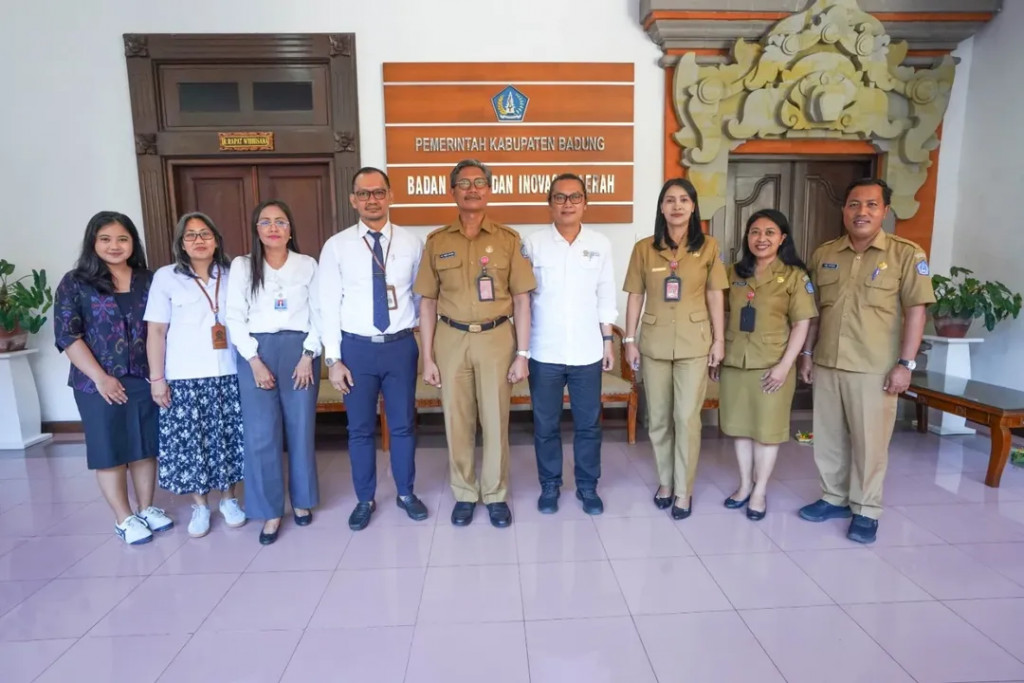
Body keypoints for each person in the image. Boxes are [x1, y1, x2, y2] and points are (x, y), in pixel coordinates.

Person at [798, 178, 935, 544]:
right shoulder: (825, 253)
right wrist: (807, 354)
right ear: (844, 210)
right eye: (854, 204)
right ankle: (833, 497)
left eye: (872, 205)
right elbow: (815, 312)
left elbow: (916, 312)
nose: (862, 212)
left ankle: (866, 509)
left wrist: (906, 364)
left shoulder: (906, 255)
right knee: (828, 438)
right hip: (828, 361)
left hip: (874, 367)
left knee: (870, 443)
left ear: (885, 211)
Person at [413, 159, 536, 528]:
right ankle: (465, 492)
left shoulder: (508, 240)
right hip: (450, 338)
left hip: (497, 337)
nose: (472, 189)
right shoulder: (437, 242)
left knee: (496, 419)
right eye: (464, 183)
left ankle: (495, 494)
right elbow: (427, 303)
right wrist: (427, 358)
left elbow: (522, 301)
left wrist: (523, 354)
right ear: (452, 191)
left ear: (489, 190)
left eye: (479, 182)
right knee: (457, 419)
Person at [53, 211, 174, 545]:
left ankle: (146, 508)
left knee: (144, 446)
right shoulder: (75, 282)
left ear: (133, 242)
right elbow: (67, 335)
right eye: (105, 239)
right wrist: (101, 378)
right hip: (97, 383)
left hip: (145, 377)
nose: (114, 246)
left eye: (122, 239)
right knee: (110, 449)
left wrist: (158, 376)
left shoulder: (149, 280)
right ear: (93, 243)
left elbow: (162, 328)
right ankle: (124, 517)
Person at [319, 167, 427, 531]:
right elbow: (327, 305)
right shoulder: (336, 246)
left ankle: (406, 493)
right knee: (360, 429)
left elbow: (421, 298)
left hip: (400, 347)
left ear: (391, 196)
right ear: (353, 200)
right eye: (364, 194)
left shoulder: (412, 243)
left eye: (379, 192)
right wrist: (333, 359)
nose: (372, 200)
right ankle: (364, 498)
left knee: (403, 425)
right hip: (356, 350)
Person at [622, 178, 728, 520]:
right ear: (661, 207)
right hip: (653, 343)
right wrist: (629, 340)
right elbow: (635, 295)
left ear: (693, 206)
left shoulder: (708, 247)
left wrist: (719, 340)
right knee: (657, 419)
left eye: (684, 200)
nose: (677, 206)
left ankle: (684, 489)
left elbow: (715, 294)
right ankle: (665, 482)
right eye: (670, 200)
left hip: (694, 344)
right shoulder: (644, 248)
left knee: (686, 418)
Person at [709, 209, 817, 521]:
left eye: (770, 233)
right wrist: (717, 350)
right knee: (740, 429)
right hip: (735, 362)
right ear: (747, 237)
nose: (761, 238)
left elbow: (802, 323)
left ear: (782, 238)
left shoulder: (795, 276)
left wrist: (786, 365)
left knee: (767, 432)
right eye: (755, 232)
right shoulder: (734, 272)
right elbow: (720, 311)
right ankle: (744, 485)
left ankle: (760, 490)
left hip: (772, 366)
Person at [225, 200, 322, 545]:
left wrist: (308, 354)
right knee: (261, 434)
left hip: (299, 352)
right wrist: (253, 360)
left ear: (290, 229)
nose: (273, 228)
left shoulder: (307, 264)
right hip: (257, 352)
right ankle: (269, 510)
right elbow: (234, 316)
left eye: (280, 221)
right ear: (257, 230)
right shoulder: (242, 266)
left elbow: (320, 313)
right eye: (265, 222)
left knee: (301, 429)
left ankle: (302, 500)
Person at [145, 212, 246, 538]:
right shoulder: (166, 277)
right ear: (181, 243)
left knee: (229, 439)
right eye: (191, 235)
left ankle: (229, 499)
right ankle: (200, 505)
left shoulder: (233, 274)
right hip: (184, 377)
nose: (199, 240)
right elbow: (156, 332)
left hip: (229, 371)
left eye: (205, 234)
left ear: (216, 240)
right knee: (193, 445)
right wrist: (157, 379)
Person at [523, 173, 617, 515]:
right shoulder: (532, 243)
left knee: (589, 424)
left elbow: (606, 294)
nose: (567, 204)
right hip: (543, 351)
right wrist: (521, 350)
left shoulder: (600, 243)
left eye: (575, 197)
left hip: (587, 351)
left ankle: (587, 486)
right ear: (549, 203)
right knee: (545, 424)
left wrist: (608, 341)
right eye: (560, 197)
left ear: (585, 204)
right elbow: (522, 300)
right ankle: (550, 484)